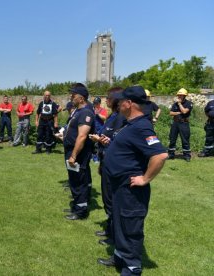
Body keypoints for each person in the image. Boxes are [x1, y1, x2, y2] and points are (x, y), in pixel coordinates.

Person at [98, 86, 168, 276]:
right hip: (119, 187)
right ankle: (120, 257)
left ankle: (131, 268)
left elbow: (160, 155)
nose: (118, 105)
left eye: (121, 102)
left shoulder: (142, 126)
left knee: (130, 228)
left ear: (129, 104)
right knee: (120, 225)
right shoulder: (131, 124)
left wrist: (145, 179)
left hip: (131, 191)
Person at [89, 87, 125, 246]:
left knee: (112, 201)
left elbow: (118, 142)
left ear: (116, 99)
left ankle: (114, 236)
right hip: (105, 161)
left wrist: (101, 140)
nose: (106, 101)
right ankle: (110, 229)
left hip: (114, 165)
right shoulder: (113, 116)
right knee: (107, 198)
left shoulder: (121, 118)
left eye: (108, 98)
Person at [62, 86, 95, 220]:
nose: (71, 97)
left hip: (78, 153)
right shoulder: (78, 111)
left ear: (81, 98)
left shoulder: (86, 113)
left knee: (78, 181)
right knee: (74, 179)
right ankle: (76, 206)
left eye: (73, 95)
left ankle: (81, 211)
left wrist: (74, 155)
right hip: (71, 150)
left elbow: (82, 136)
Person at [167, 88, 193, 161]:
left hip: (184, 123)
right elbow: (170, 113)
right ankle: (171, 154)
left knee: (185, 139)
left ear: (185, 96)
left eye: (181, 95)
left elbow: (184, 111)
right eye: (178, 95)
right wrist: (178, 113)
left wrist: (179, 104)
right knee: (172, 139)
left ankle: (187, 155)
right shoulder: (174, 104)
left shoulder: (189, 103)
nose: (179, 96)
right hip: (175, 123)